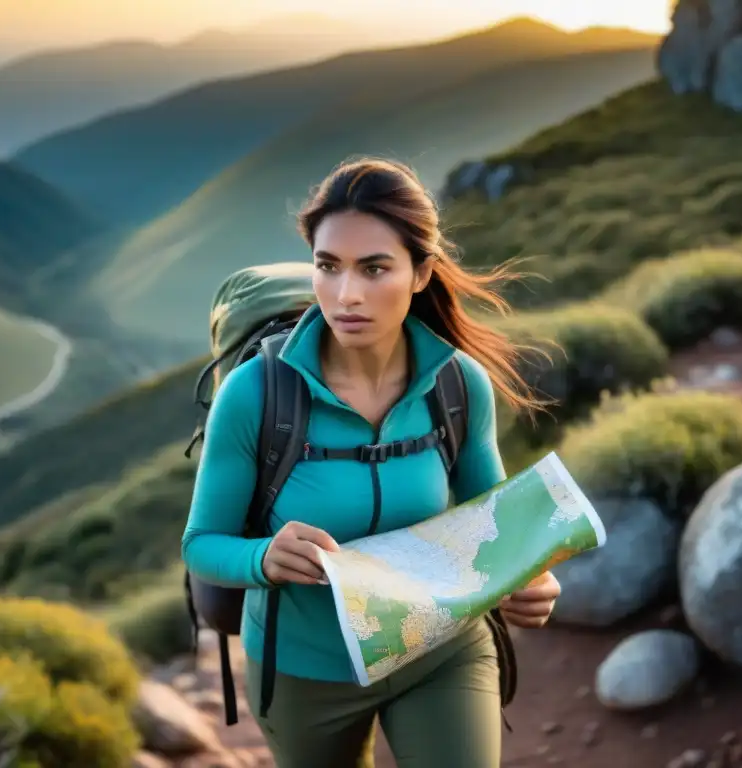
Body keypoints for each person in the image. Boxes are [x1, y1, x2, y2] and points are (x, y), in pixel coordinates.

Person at [181, 157, 562, 768]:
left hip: (443, 652)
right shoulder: (256, 394)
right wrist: (263, 557)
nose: (345, 294)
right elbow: (201, 543)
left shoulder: (458, 386)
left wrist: (527, 581)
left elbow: (488, 524)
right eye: (328, 267)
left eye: (374, 268)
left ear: (420, 273)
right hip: (305, 674)